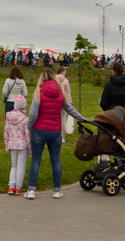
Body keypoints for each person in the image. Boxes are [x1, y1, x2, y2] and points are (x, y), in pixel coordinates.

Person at [26, 68, 85, 200]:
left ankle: (31, 190)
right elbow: (69, 108)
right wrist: (80, 118)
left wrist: (29, 126)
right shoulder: (60, 92)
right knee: (56, 160)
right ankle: (57, 190)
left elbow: (33, 113)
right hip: (55, 130)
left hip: (39, 130)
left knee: (36, 160)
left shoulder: (39, 92)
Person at [4, 94, 31, 195]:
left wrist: (7, 144)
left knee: (14, 166)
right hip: (23, 145)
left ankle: (11, 187)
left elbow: (6, 132)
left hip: (12, 144)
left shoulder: (8, 118)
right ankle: (18, 187)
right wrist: (30, 148)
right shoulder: (25, 119)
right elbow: (28, 134)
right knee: (21, 166)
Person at [55, 67, 72, 142]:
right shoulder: (65, 81)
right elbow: (68, 92)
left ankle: (55, 135)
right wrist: (69, 102)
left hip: (55, 102)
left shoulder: (53, 80)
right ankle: (62, 137)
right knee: (63, 118)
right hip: (64, 101)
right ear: (62, 72)